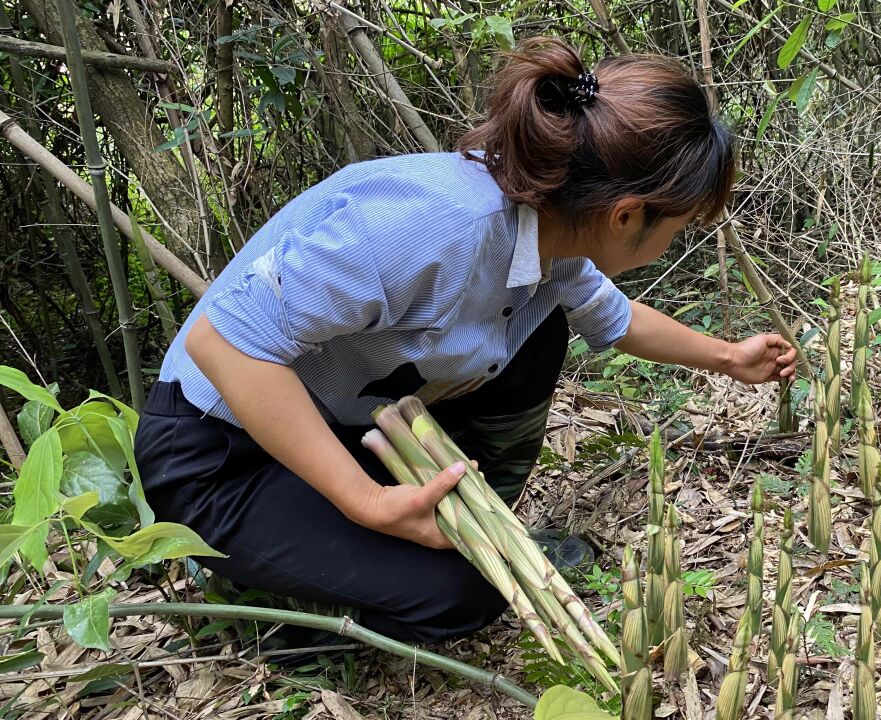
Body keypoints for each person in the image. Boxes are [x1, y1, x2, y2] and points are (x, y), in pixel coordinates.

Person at [135, 36, 797, 647]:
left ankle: (448, 531)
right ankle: (261, 604)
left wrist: (728, 358)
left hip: (332, 421)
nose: (672, 242)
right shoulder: (432, 227)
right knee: (464, 594)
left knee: (537, 333)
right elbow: (224, 345)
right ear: (625, 215)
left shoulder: (551, 223)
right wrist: (368, 505)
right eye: (675, 227)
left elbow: (612, 318)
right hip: (216, 452)